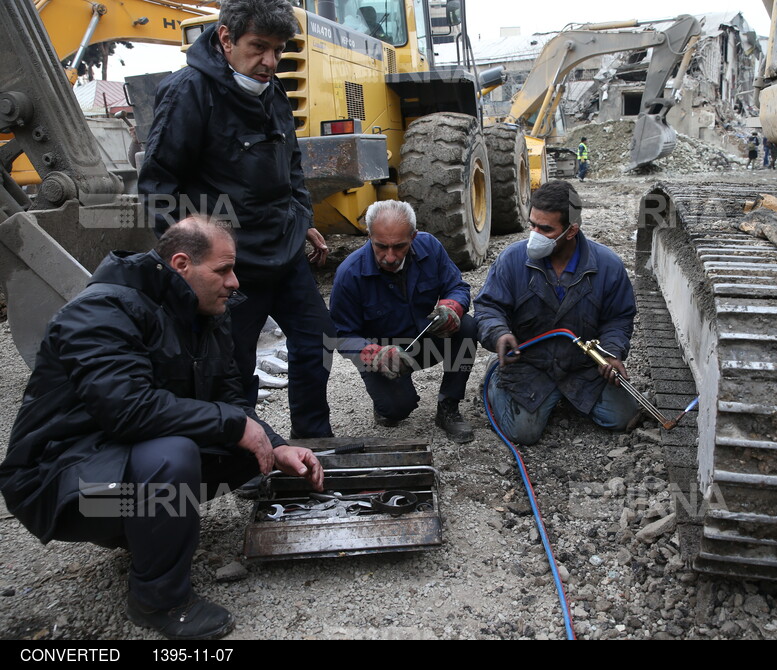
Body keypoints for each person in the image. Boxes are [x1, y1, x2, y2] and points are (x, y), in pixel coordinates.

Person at [0, 218, 324, 640]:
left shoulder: (205, 314)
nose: (234, 281)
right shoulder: (101, 311)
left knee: (247, 451)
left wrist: (277, 446)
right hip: (64, 493)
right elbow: (128, 410)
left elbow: (230, 403)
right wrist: (234, 424)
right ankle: (159, 599)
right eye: (223, 270)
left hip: (116, 473)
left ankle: (144, 529)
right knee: (172, 456)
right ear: (181, 263)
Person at [138, 0, 337, 439]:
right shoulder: (189, 91)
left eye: (279, 50)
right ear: (226, 39)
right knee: (234, 361)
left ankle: (313, 437)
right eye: (259, 47)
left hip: (284, 252)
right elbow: (157, 187)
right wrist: (193, 262)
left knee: (319, 340)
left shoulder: (273, 91)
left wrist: (300, 216)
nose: (270, 61)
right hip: (233, 265)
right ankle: (246, 453)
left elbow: (292, 166)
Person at [474, 181, 637, 445]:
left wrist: (611, 352)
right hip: (529, 365)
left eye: (545, 229)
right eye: (532, 225)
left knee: (622, 417)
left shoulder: (608, 266)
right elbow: (489, 307)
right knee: (523, 433)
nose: (534, 234)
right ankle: (495, 382)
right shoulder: (512, 260)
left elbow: (618, 318)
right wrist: (499, 333)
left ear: (572, 231)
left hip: (581, 368)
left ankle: (563, 396)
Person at [330, 201, 477, 443]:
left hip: (424, 340)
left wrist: (453, 307)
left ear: (413, 236)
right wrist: (372, 354)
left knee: (467, 326)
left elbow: (457, 286)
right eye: (381, 246)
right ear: (369, 236)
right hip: (383, 357)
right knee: (396, 411)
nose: (390, 256)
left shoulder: (430, 246)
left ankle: (448, 406)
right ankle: (388, 400)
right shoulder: (350, 274)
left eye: (399, 247)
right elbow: (341, 334)